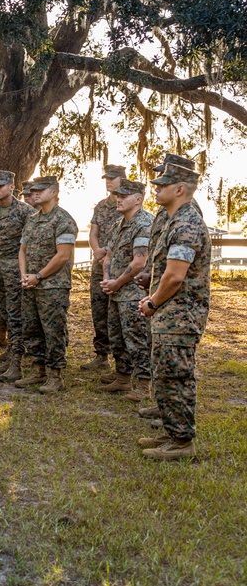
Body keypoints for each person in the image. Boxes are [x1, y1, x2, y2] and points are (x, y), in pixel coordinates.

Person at [139, 156, 210, 461]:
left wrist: (154, 302)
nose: (156, 188)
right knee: (165, 373)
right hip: (170, 313)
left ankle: (182, 443)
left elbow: (175, 275)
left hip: (180, 315)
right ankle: (172, 432)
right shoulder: (173, 219)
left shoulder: (186, 223)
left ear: (180, 189)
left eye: (163, 184)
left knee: (177, 375)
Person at [15, 176, 78, 393]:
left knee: (53, 331)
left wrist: (38, 276)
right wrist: (24, 275)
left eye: (41, 190)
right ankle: (37, 370)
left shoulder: (64, 220)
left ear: (54, 192)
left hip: (53, 287)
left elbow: (62, 256)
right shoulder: (32, 220)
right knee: (32, 329)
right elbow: (22, 250)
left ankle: (55, 375)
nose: (35, 194)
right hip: (30, 284)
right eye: (33, 191)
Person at [98, 179, 153, 398]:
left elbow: (139, 262)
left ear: (138, 199)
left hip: (134, 292)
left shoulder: (144, 223)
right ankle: (122, 377)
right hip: (115, 290)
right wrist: (106, 278)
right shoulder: (117, 224)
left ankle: (142, 385)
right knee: (117, 336)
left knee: (136, 338)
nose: (118, 199)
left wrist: (117, 282)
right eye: (118, 195)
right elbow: (108, 255)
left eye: (124, 196)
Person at [0, 171, 37, 382]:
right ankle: (10, 354)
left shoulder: (26, 212)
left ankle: (16, 363)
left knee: (16, 316)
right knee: (2, 313)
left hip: (17, 270)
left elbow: (31, 244)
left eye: (1, 186)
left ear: (11, 187)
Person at [82, 165, 125, 373]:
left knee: (119, 313)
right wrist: (97, 250)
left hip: (121, 266)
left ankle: (123, 361)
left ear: (122, 179)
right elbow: (93, 233)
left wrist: (106, 250)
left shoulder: (127, 202)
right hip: (99, 265)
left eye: (112, 178)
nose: (108, 182)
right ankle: (101, 355)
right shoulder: (101, 205)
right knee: (98, 309)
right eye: (106, 178)